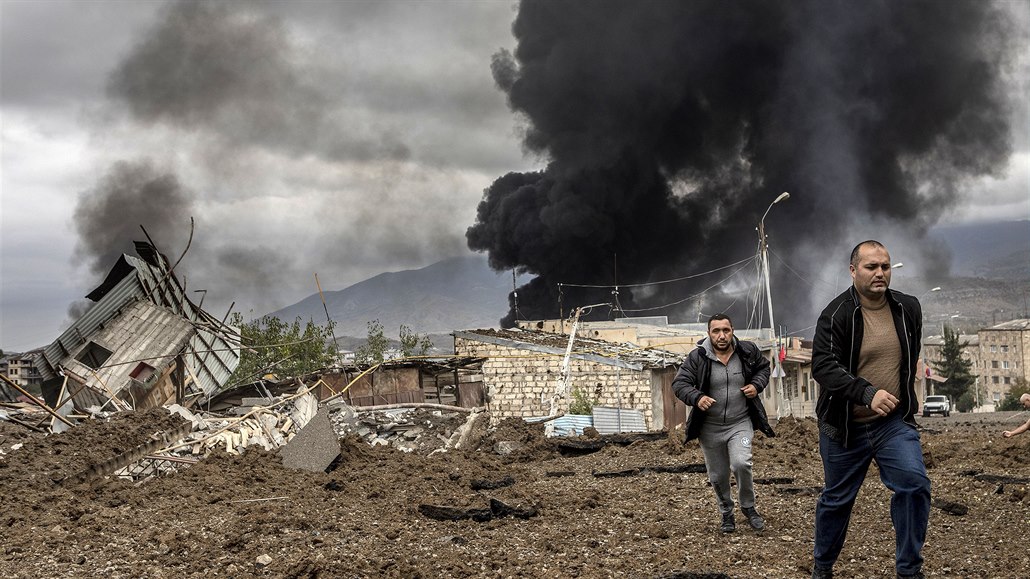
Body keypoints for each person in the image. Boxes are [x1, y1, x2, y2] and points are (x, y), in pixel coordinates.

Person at [810, 240, 930, 579]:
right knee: (837, 500)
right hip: (844, 427)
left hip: (893, 424)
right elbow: (823, 366)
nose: (880, 273)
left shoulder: (908, 308)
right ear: (853, 271)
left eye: (885, 266)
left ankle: (909, 570)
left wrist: (900, 399)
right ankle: (823, 568)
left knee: (914, 484)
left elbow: (909, 355)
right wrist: (866, 392)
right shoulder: (836, 315)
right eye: (871, 267)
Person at [672, 313, 774, 533]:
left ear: (732, 330)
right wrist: (697, 397)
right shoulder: (697, 357)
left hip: (740, 423)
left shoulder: (747, 351)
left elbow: (764, 368)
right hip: (710, 428)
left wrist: (757, 385)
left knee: (741, 463)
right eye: (716, 331)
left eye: (725, 330)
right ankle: (726, 512)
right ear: (709, 333)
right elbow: (680, 383)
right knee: (718, 475)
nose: (721, 335)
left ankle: (749, 507)